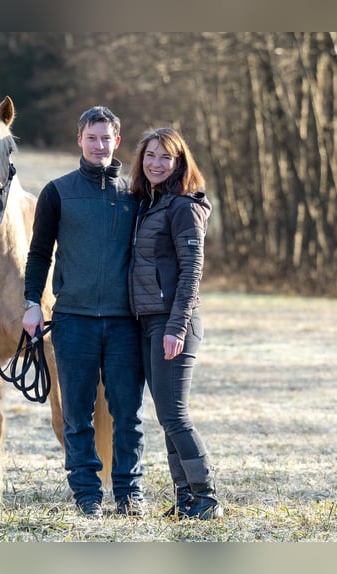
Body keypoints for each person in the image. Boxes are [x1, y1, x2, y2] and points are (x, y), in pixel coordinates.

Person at [22, 106, 145, 518]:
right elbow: (39, 255)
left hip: (125, 324)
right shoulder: (57, 192)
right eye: (91, 138)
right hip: (72, 322)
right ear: (79, 140)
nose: (98, 145)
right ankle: (87, 494)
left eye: (105, 138)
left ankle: (129, 493)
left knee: (128, 414)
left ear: (117, 142)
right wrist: (30, 304)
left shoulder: (137, 195)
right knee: (77, 415)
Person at [128, 127, 221, 519]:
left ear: (179, 162)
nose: (156, 163)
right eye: (150, 155)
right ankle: (184, 498)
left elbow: (191, 271)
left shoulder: (183, 206)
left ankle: (207, 498)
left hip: (173, 323)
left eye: (166, 157)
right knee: (166, 415)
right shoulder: (150, 204)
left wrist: (176, 327)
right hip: (149, 321)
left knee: (175, 415)